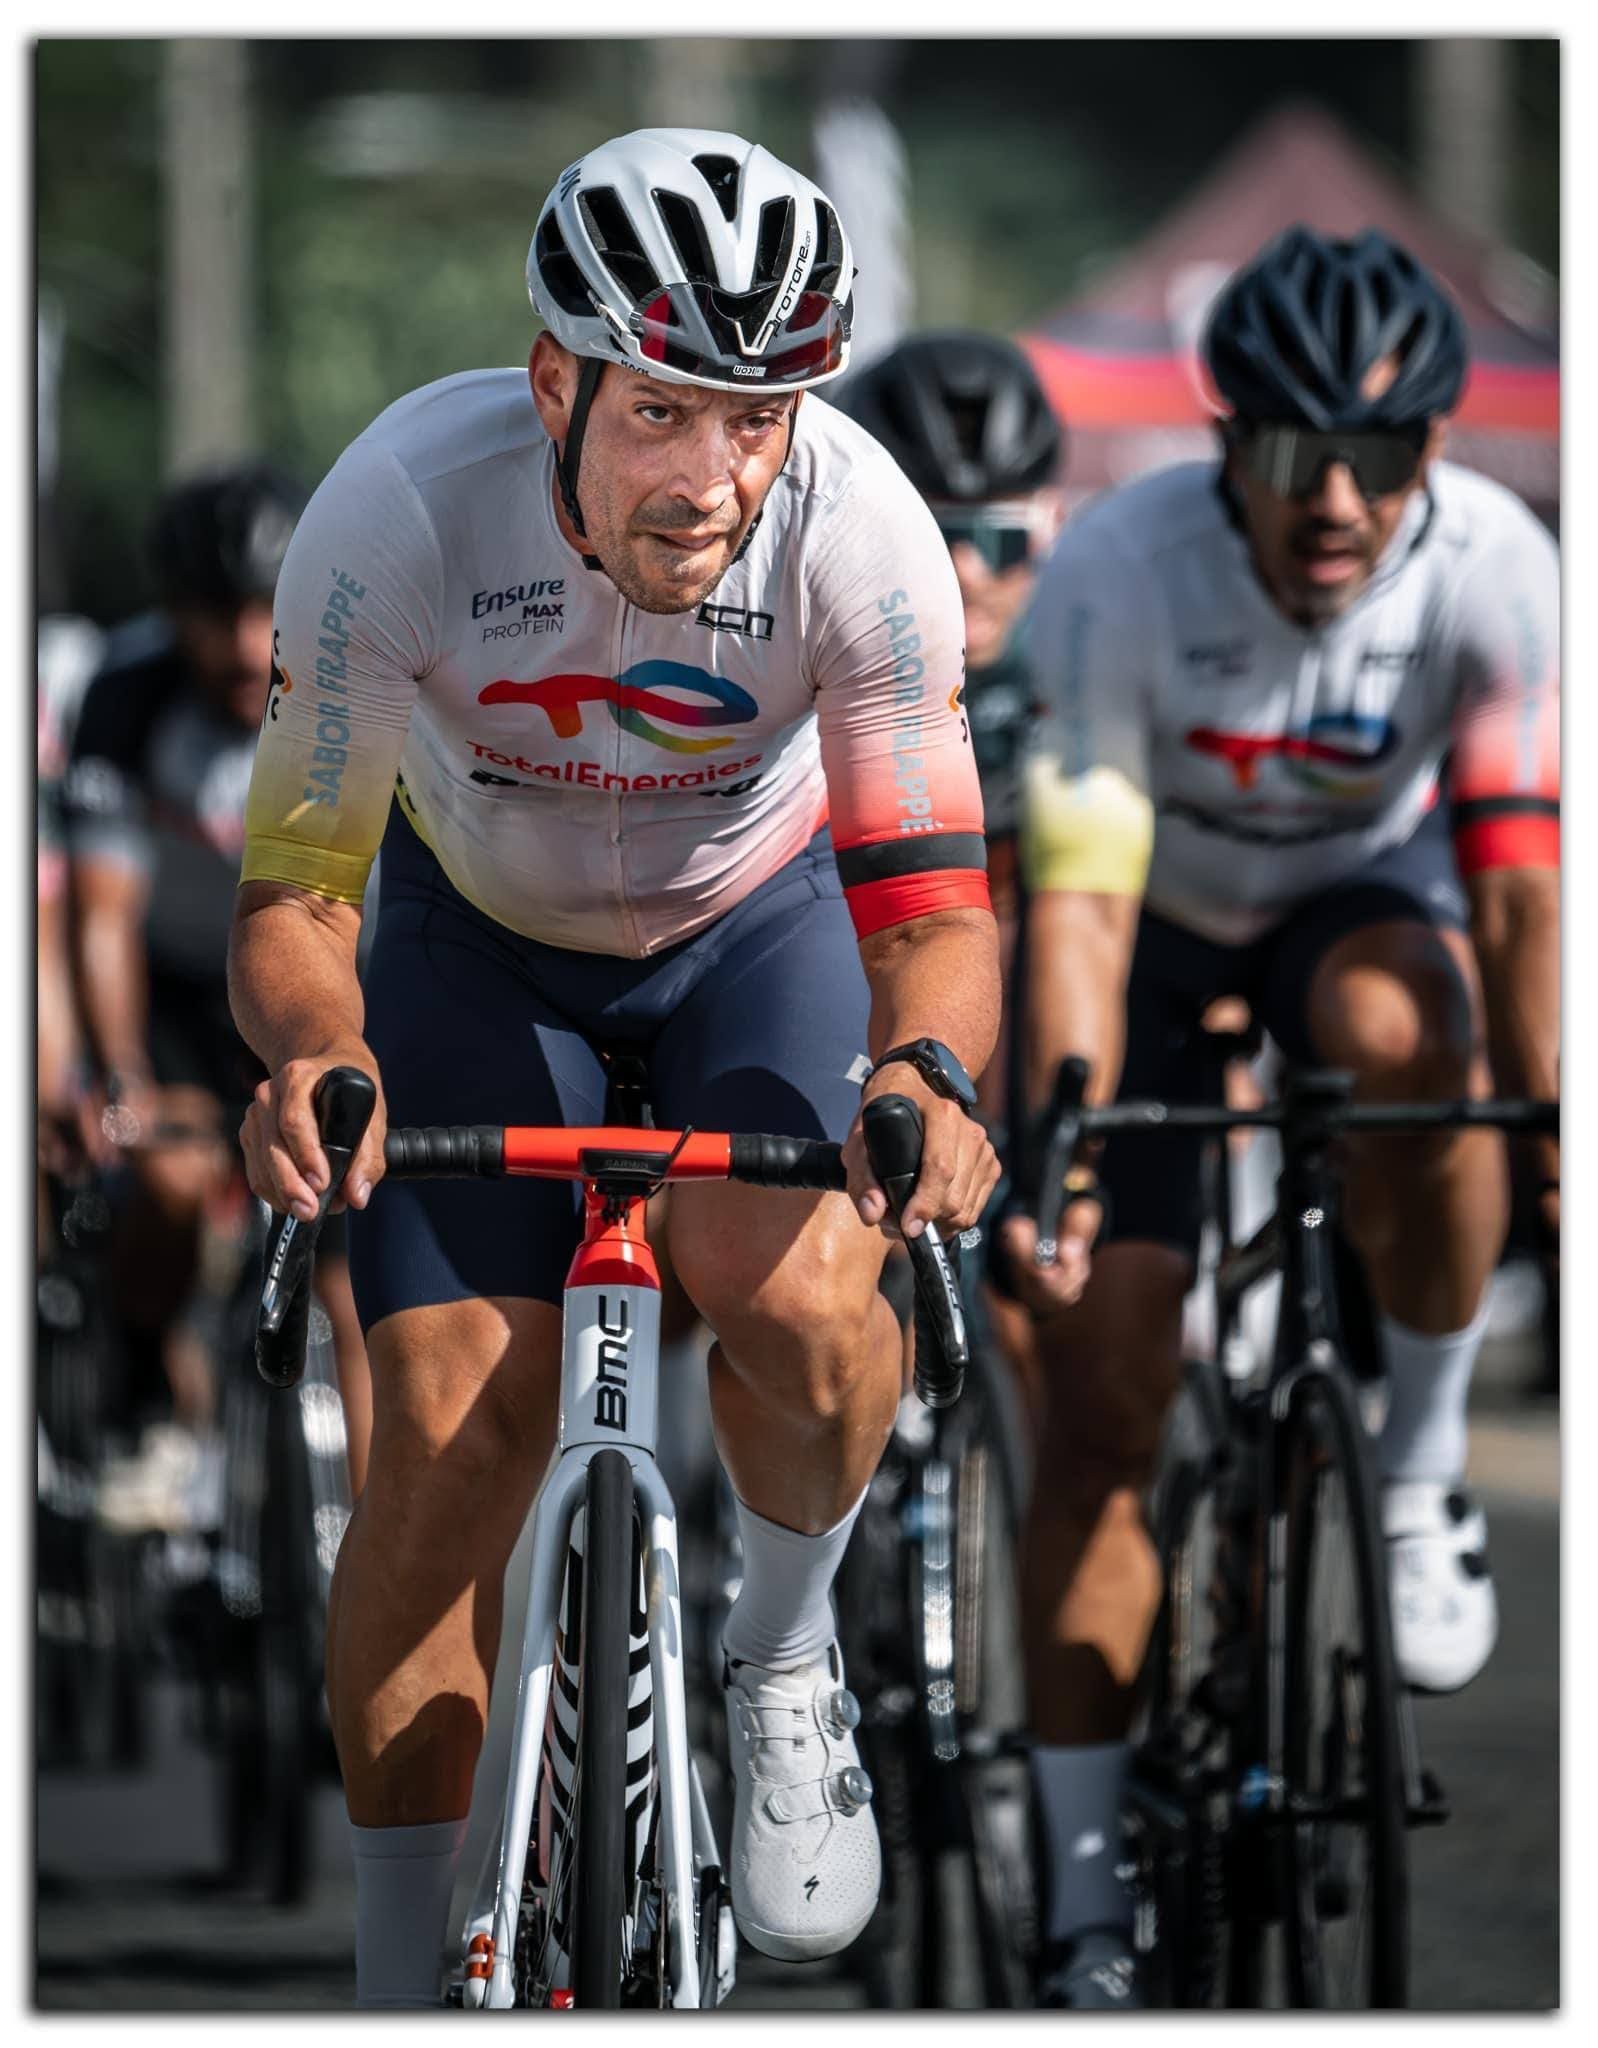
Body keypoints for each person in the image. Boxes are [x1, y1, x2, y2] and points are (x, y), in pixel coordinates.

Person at [228, 127, 1000, 2007]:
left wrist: (926, 1073)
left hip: (755, 928)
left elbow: (932, 915)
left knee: (806, 1302)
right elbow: (299, 896)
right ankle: (396, 1973)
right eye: (663, 410)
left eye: (759, 417)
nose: (716, 474)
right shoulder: (398, 508)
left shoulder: (864, 532)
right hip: (474, 941)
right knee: (442, 1438)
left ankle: (784, 1650)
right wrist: (320, 1050)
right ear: (552, 382)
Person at [999, 225, 1559, 2007]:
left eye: (1376, 455)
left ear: (1434, 450)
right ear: (1222, 441)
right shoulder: (1118, 570)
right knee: (1103, 1395)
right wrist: (1067, 1146)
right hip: (1148, 928)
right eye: (1293, 451)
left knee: (1416, 1029)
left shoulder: (1497, 565)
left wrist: (1545, 1125)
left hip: (1354, 904)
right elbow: (1076, 913)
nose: (1332, 500)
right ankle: (1082, 1898)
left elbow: (1518, 893)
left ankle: (1415, 1470)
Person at [62, 465, 374, 1521]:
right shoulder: (128, 693)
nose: (245, 647)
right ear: (173, 613)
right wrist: (121, 1077)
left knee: (354, 1273)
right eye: (214, 617)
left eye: (263, 613)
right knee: (165, 1182)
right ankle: (149, 1392)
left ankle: (368, 1539)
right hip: (182, 999)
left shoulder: (358, 671)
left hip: (326, 995)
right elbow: (101, 914)